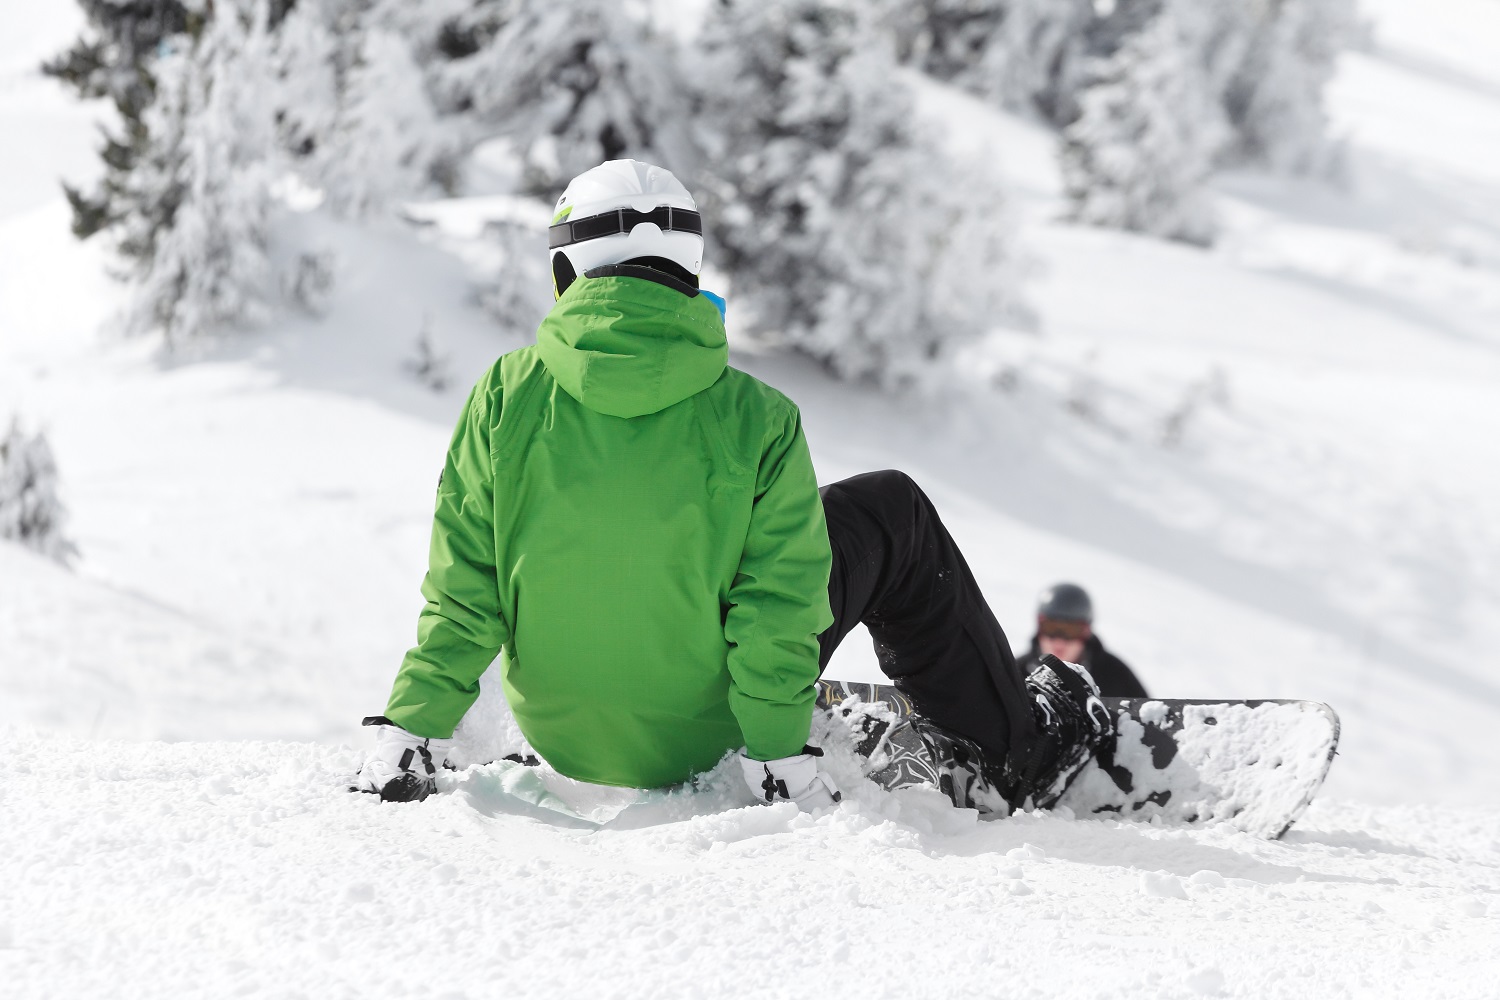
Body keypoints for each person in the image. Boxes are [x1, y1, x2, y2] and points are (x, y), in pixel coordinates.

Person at [355, 160, 1110, 813]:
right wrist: (778, 752)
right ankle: (1018, 753)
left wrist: (409, 724)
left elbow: (466, 590)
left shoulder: (504, 395)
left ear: (567, 268)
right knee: (890, 508)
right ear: (689, 268)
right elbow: (777, 603)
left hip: (565, 735)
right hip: (706, 732)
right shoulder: (758, 416)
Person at [1016, 583, 1148, 698]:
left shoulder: (1115, 675)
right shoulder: (1016, 674)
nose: (1059, 641)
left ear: (1086, 631)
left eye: (1071, 630)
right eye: (1051, 627)